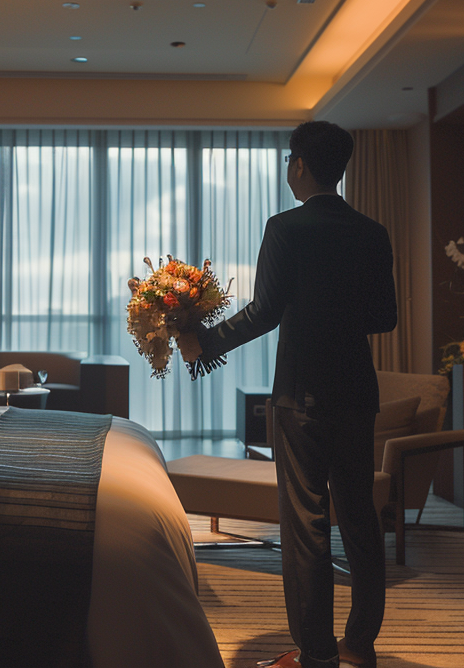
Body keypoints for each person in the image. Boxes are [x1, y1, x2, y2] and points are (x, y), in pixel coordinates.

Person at [180, 120, 397, 668]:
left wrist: (205, 344)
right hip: (356, 393)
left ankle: (315, 655)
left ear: (299, 164)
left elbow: (264, 312)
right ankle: (360, 644)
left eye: (288, 161)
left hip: (301, 397)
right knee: (359, 520)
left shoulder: (285, 227)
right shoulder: (372, 231)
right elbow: (385, 317)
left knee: (306, 523)